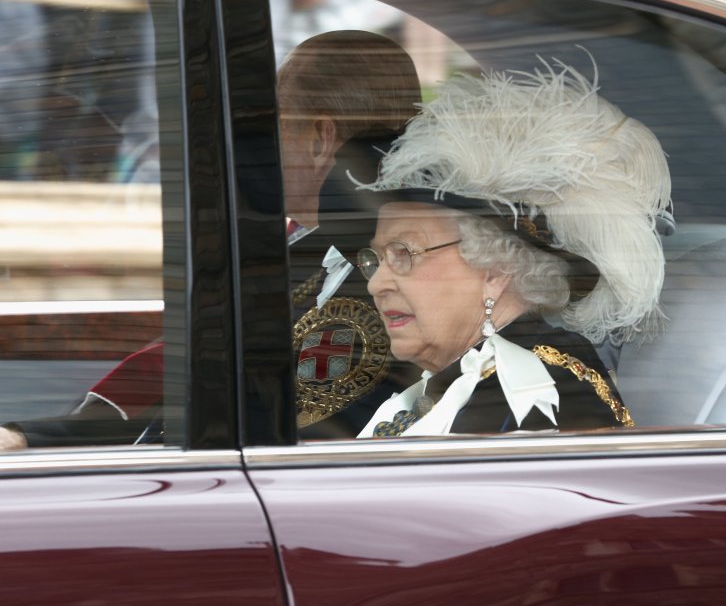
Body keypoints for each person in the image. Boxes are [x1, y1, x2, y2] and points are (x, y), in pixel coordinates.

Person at [0, 30, 422, 450]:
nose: (255, 150)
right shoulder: (311, 245)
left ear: (319, 138)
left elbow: (256, 432)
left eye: (272, 126)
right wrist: (31, 437)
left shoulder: (369, 293)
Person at [351, 57, 672, 437]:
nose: (376, 284)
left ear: (495, 272)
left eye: (404, 254)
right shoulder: (459, 383)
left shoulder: (531, 398)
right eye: (376, 259)